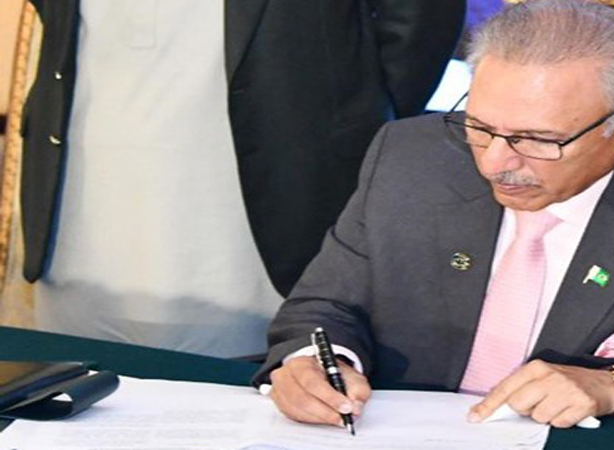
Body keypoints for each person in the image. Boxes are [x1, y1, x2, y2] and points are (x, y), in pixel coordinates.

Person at [257, 0, 614, 439]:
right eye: (479, 126)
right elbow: (326, 306)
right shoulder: (408, 157)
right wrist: (314, 362)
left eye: (539, 140)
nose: (496, 163)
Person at [19, 0, 464, 357]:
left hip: (268, 192)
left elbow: (419, 21)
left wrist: (353, 117)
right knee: (77, 381)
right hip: (79, 189)